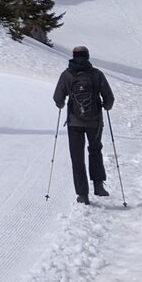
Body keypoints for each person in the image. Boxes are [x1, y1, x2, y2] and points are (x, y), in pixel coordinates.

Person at [53, 45, 115, 203]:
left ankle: (82, 194)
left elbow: (57, 98)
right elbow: (109, 99)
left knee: (77, 156)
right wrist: (106, 106)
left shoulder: (67, 74)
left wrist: (61, 104)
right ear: (87, 56)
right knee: (95, 150)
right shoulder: (96, 74)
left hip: (74, 122)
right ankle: (99, 186)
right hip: (94, 121)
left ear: (73, 56)